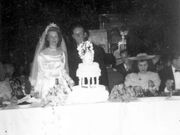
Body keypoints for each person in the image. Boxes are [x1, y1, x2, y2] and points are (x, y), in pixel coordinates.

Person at [29, 23, 74, 99]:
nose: (54, 39)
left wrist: (69, 80)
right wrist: (36, 88)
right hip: (47, 85)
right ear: (47, 38)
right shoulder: (42, 55)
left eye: (55, 36)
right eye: (51, 36)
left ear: (59, 38)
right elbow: (40, 72)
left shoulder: (62, 53)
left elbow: (63, 70)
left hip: (60, 84)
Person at [68, 23, 109, 88]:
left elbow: (102, 70)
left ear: (85, 34)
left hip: (95, 86)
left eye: (80, 34)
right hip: (79, 87)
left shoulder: (96, 50)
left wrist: (106, 86)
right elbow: (72, 72)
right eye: (76, 34)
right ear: (73, 36)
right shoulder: (71, 53)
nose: (78, 36)